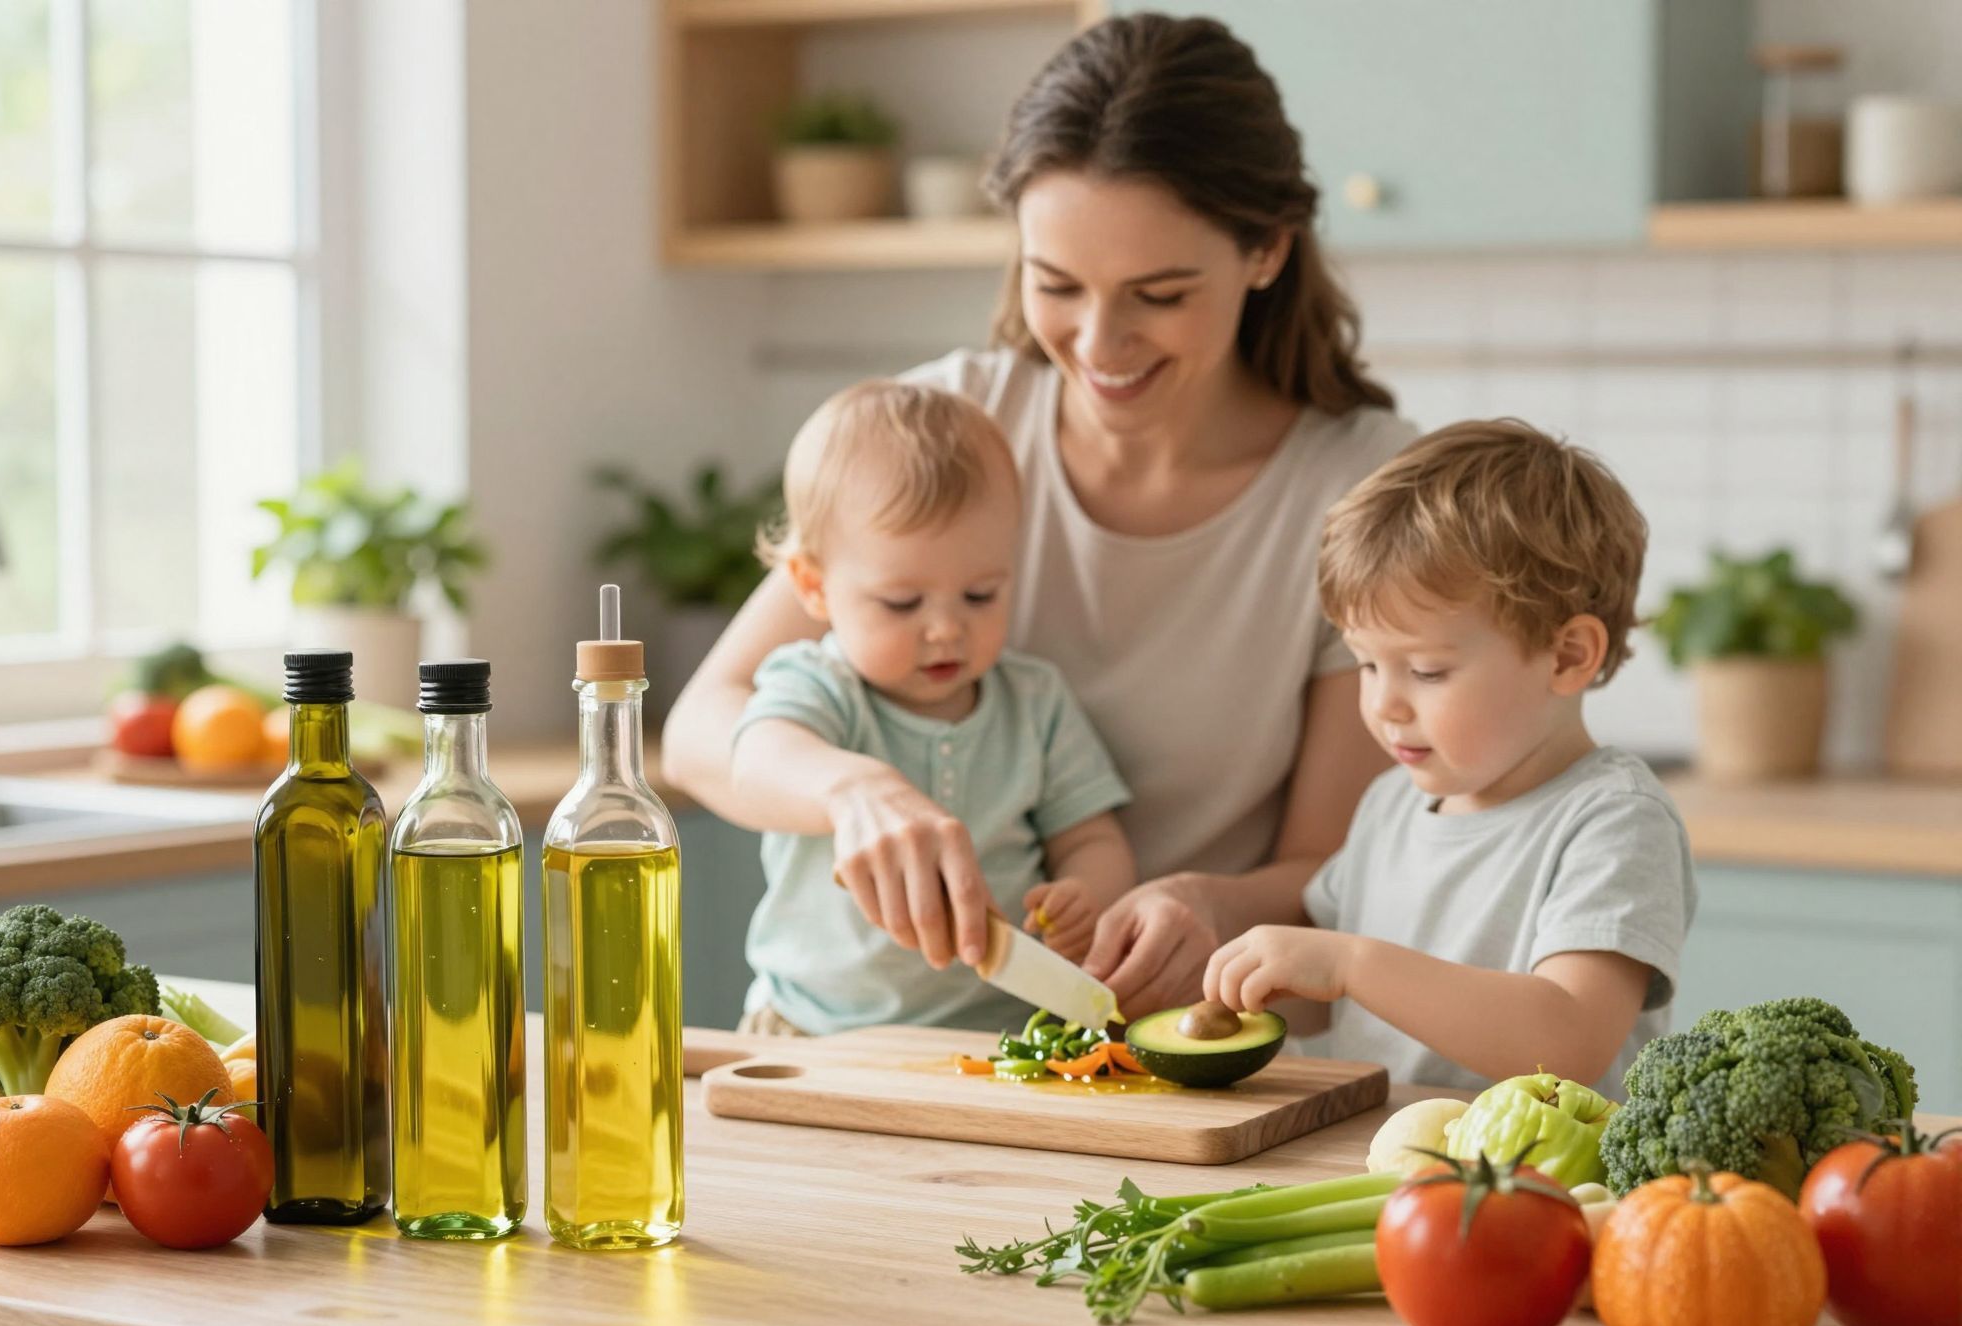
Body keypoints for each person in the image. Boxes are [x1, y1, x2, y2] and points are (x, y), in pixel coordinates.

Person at [666, 13, 1414, 1019]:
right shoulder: (951, 428)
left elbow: (1333, 868)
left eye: (1157, 293)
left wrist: (1211, 907)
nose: (1098, 342)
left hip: (1182, 1045)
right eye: (1054, 284)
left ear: (1266, 250)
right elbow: (700, 726)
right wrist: (847, 789)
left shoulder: (1359, 491)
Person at [1203, 420, 1698, 1098]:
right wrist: (1246, 983)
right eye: (1367, 665)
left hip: (1544, 1189)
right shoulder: (1391, 804)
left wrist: (1349, 962)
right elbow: (1334, 1000)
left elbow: (1567, 1038)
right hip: (1385, 1170)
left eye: (1428, 672)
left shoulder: (1613, 821)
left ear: (1567, 656)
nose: (1384, 705)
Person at [732, 380, 1135, 1036]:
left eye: (980, 594)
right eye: (902, 603)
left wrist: (1088, 892)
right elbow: (756, 759)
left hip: (1005, 1032)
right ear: (813, 586)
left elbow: (1092, 837)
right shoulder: (821, 685)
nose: (946, 629)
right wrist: (847, 786)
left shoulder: (1034, 701)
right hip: (811, 1027)